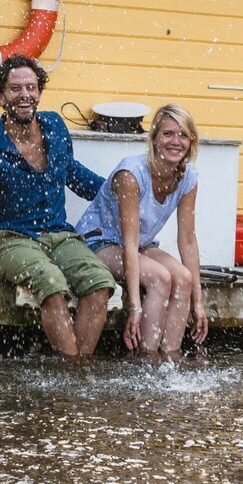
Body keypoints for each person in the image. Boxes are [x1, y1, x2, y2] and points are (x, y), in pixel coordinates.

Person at [0, 54, 117, 358]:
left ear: (39, 92)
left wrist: (114, 190)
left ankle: (76, 368)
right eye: (15, 89)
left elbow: (72, 172)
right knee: (51, 283)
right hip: (9, 240)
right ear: (1, 96)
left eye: (31, 87)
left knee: (100, 283)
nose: (24, 94)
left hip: (59, 235)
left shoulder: (55, 126)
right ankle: (73, 372)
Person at [72, 105, 208, 359]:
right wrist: (134, 307)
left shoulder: (188, 178)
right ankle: (146, 360)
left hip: (141, 245)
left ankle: (170, 359)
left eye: (183, 135)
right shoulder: (131, 174)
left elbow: (188, 241)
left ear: (191, 141)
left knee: (183, 278)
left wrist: (198, 304)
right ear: (154, 138)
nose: (175, 141)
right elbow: (129, 242)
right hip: (99, 241)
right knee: (160, 277)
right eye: (168, 134)